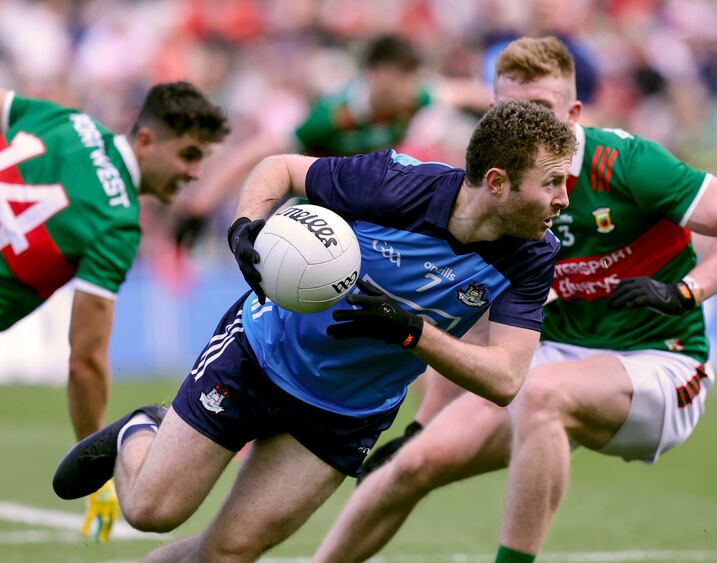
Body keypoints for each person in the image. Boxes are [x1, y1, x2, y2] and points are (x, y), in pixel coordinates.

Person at [310, 37, 717, 563]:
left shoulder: (628, 164)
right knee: (415, 464)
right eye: (510, 111)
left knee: (540, 394)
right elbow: (475, 322)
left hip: (659, 363)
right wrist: (423, 427)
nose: (526, 125)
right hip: (555, 362)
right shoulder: (499, 193)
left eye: (540, 109)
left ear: (574, 113)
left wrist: (686, 291)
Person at [51, 100, 576, 562]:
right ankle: (141, 427)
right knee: (151, 511)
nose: (564, 199)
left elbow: (506, 378)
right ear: (497, 183)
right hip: (259, 354)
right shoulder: (393, 182)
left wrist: (413, 331)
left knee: (227, 554)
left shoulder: (534, 253)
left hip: (345, 413)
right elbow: (280, 169)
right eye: (551, 183)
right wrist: (244, 227)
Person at [0, 81, 229, 542]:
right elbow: (85, 362)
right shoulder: (116, 221)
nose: (196, 173)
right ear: (146, 140)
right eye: (188, 155)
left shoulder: (70, 123)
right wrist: (96, 467)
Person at [171, 34, 491, 246]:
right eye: (403, 79)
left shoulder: (415, 95)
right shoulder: (331, 116)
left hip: (367, 207)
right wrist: (199, 206)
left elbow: (468, 93)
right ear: (377, 75)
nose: (411, 89)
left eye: (413, 78)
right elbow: (259, 152)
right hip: (317, 210)